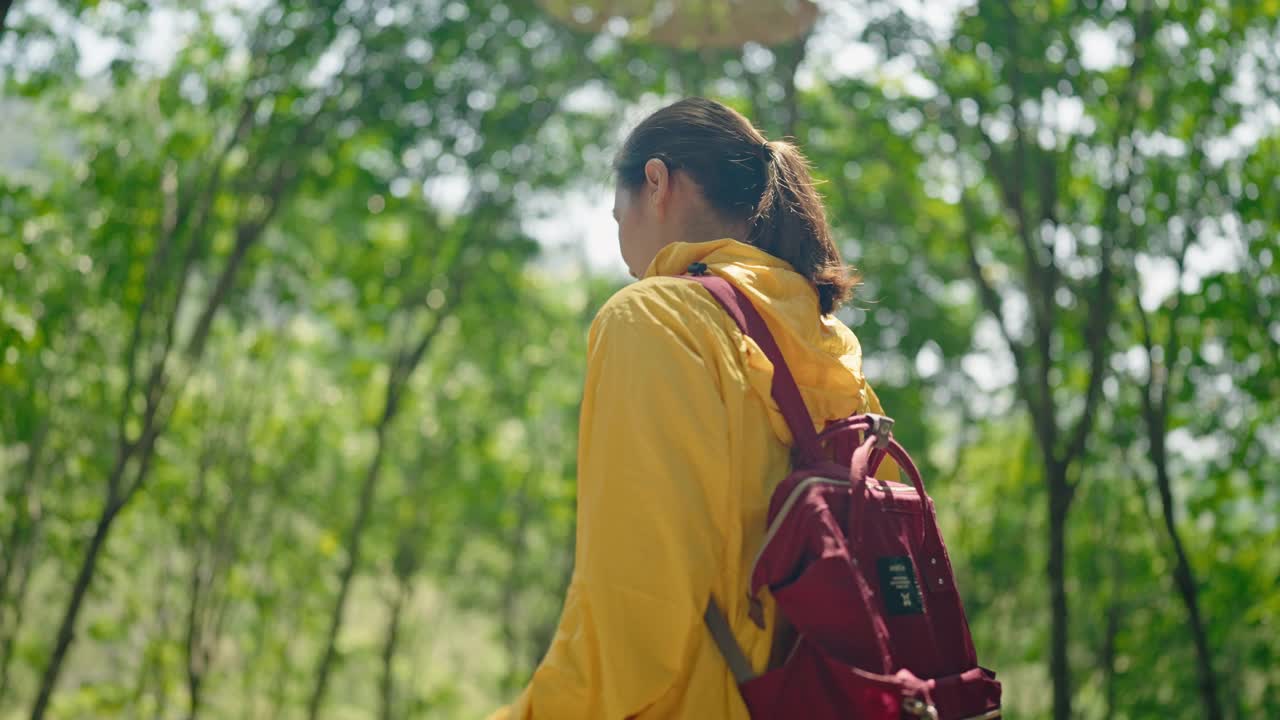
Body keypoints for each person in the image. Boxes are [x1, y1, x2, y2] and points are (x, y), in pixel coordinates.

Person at [490, 96, 897, 719]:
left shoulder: (653, 317)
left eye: (614, 213)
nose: (620, 235)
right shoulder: (828, 346)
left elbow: (637, 613)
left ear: (656, 182)